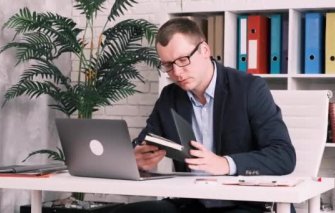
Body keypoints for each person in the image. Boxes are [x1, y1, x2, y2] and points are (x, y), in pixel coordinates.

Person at [111, 17, 296, 213]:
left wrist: (226, 164)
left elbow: (283, 155)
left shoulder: (249, 89)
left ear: (205, 50)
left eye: (183, 60)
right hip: (192, 204)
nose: (177, 72)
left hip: (245, 204)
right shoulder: (170, 97)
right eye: (168, 65)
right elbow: (145, 141)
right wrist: (135, 158)